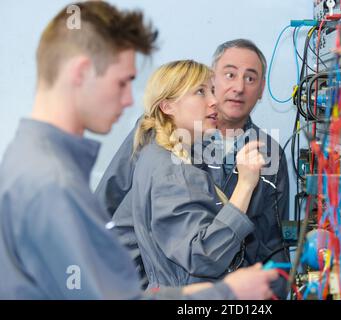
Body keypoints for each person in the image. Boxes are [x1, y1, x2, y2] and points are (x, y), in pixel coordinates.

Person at [0, 1, 277, 299]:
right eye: (123, 82)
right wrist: (224, 294)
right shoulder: (52, 180)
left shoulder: (36, 162)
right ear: (81, 73)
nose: (129, 101)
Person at [108, 59, 271, 289]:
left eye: (212, 91)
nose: (214, 101)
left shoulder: (163, 157)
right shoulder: (172, 172)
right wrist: (245, 185)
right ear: (167, 106)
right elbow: (204, 257)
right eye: (201, 92)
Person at [202, 39, 291, 298]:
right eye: (230, 74)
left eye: (250, 79)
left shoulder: (270, 154)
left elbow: (274, 244)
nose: (239, 87)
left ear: (262, 89)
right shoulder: (174, 137)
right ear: (212, 80)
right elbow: (118, 209)